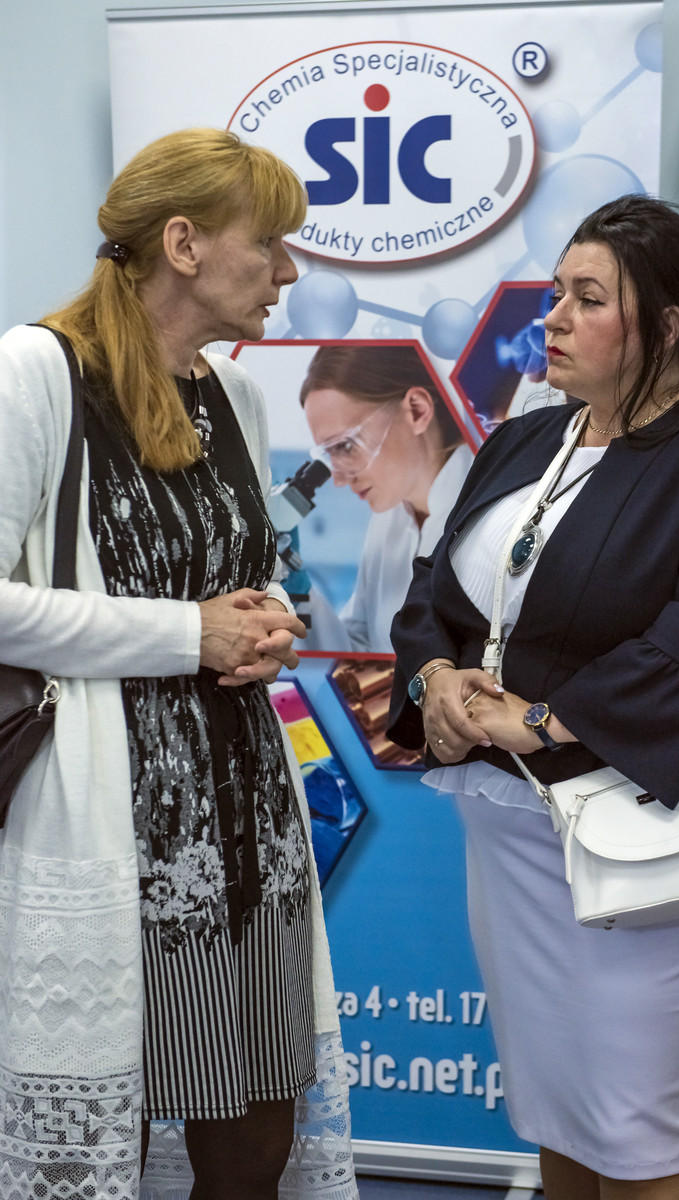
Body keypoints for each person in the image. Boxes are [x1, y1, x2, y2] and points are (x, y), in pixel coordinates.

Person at [387, 195, 679, 1200]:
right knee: (557, 1115)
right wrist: (435, 681)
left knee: (639, 1134)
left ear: (666, 325)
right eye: (555, 292)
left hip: (637, 830)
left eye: (587, 298)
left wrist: (535, 720)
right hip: (508, 827)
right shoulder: (525, 439)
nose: (553, 317)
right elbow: (432, 593)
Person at [0, 128, 357, 1200]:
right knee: (100, 1133)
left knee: (255, 1136)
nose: (288, 272)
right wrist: (186, 634)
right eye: (272, 244)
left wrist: (266, 618)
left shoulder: (235, 397)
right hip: (108, 821)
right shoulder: (38, 372)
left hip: (246, 823)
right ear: (185, 244)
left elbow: (248, 573)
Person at [299, 344, 473, 652]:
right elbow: (361, 653)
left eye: (346, 446)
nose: (338, 479)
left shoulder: (484, 506)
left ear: (417, 410)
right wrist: (298, 596)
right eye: (329, 454)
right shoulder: (389, 517)